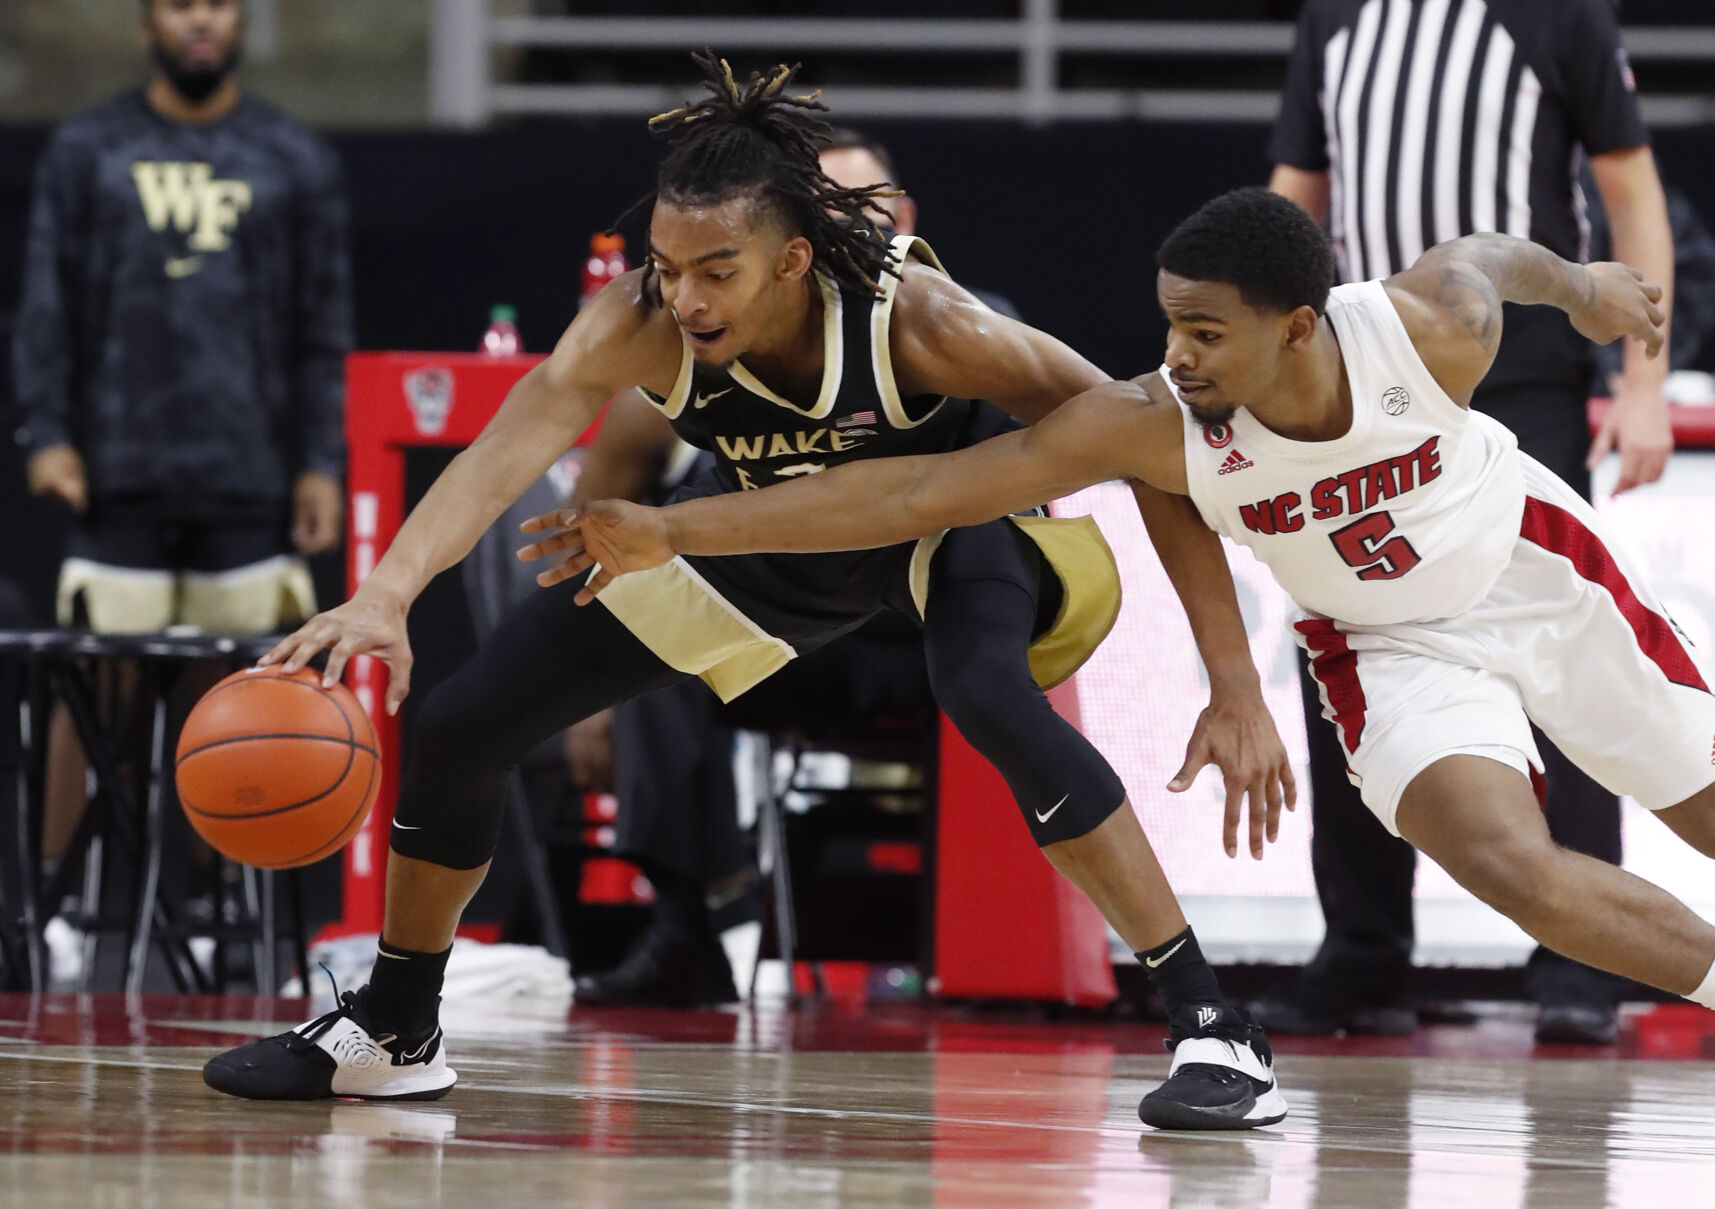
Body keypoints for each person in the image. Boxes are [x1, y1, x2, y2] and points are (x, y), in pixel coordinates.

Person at [202, 55, 1294, 1133]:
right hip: (771, 535)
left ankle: (1213, 1025)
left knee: (985, 693)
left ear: (791, 261)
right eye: (666, 266)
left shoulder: (924, 322)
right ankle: (396, 1025)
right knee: (461, 722)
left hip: (949, 526)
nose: (683, 297)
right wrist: (387, 591)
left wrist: (1234, 684)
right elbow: (505, 447)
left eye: (715, 271)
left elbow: (1151, 448)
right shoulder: (640, 318)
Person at [556, 189, 1715, 1055]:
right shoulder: (1150, 420)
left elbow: (1494, 257)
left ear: (1296, 328)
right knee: (1504, 864)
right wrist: (679, 528)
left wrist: (1586, 289)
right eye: (1168, 324)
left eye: (1205, 332)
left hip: (1528, 567)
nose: (1174, 354)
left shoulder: (1425, 328)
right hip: (1383, 644)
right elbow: (912, 494)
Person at [1264, 0, 1676, 1042]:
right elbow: (1292, 200)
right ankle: (1361, 953)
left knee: (1554, 645)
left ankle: (1580, 963)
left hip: (1519, 375)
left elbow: (1630, 190)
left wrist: (1642, 382)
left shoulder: (1558, 14)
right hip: (1358, 386)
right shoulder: (1334, 16)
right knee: (1348, 638)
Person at [571, 126, 1012, 1008]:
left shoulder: (952, 323)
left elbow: (1090, 431)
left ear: (903, 219)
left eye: (864, 213)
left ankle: (993, 945)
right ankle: (687, 927)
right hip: (783, 631)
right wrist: (590, 693)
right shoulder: (715, 339)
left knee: (991, 643)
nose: (847, 232)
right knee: (657, 656)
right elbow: (603, 486)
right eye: (825, 212)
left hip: (916, 633)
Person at [12, 0, 349, 867]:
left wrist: (319, 461)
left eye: (217, 3)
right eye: (178, 3)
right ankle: (58, 903)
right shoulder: (88, 149)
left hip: (250, 471)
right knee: (91, 691)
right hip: (117, 466)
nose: (200, 19)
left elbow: (320, 323)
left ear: (239, 20)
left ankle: (216, 904)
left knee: (243, 711)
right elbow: (46, 303)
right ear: (146, 24)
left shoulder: (293, 155)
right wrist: (47, 433)